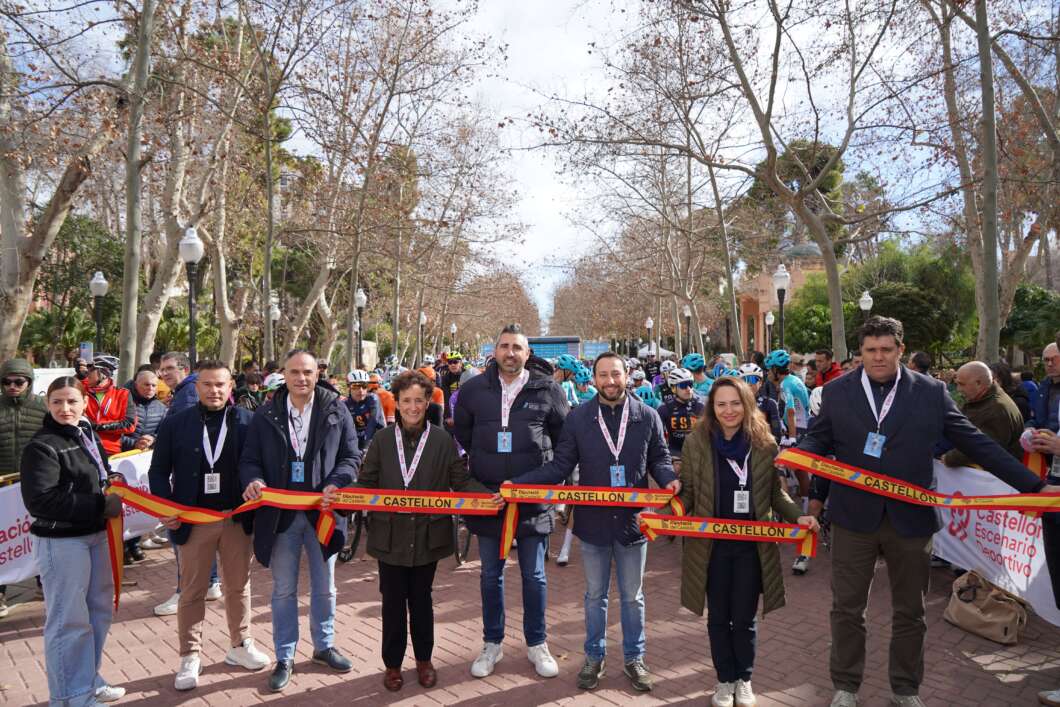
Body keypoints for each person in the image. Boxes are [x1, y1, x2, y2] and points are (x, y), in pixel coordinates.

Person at [798, 316, 1054, 707]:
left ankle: (905, 689)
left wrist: (1035, 486)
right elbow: (817, 439)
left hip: (912, 521)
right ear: (860, 353)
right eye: (871, 350)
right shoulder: (836, 392)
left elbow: (977, 443)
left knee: (911, 613)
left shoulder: (931, 393)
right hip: (854, 519)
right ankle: (845, 686)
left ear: (900, 350)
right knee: (847, 609)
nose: (879, 357)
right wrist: (796, 454)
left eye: (886, 349)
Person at [511, 351, 680, 693]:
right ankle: (594, 657)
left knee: (633, 597)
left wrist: (668, 480)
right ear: (594, 378)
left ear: (626, 376)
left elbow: (659, 458)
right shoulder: (579, 418)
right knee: (594, 596)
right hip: (593, 524)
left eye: (615, 374)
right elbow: (560, 466)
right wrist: (523, 483)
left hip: (633, 524)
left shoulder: (646, 416)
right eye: (603, 375)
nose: (610, 381)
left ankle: (635, 658)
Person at [672, 376, 818, 707]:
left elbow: (775, 494)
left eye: (735, 403)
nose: (728, 410)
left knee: (746, 619)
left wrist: (799, 516)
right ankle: (725, 680)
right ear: (712, 407)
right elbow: (690, 492)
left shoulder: (764, 443)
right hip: (711, 547)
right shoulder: (697, 443)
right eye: (721, 404)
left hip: (753, 546)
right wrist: (668, 507)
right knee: (719, 618)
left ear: (747, 404)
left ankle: (745, 679)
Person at [355, 370, 500, 692]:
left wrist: (487, 497)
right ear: (397, 402)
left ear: (427, 403)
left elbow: (460, 481)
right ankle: (392, 665)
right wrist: (340, 495)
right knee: (392, 602)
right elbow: (365, 483)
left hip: (426, 538)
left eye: (418, 400)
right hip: (389, 537)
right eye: (406, 401)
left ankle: (424, 660)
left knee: (421, 601)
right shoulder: (381, 440)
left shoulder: (441, 440)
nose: (412, 407)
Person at [453, 324, 568, 681]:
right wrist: (486, 478)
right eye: (504, 346)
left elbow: (562, 441)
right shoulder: (473, 390)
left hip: (532, 500)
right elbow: (464, 433)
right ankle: (492, 643)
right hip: (489, 501)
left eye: (517, 347)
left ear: (528, 353)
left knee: (534, 575)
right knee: (490, 575)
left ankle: (537, 643)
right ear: (495, 350)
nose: (510, 353)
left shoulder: (548, 389)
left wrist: (532, 481)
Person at [240, 349, 360, 692]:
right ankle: (285, 655)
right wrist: (253, 481)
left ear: (317, 374)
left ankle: (323, 646)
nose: (301, 378)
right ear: (284, 374)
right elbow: (249, 460)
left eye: (307, 372)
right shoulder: (265, 414)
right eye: (294, 372)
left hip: (323, 513)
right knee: (283, 590)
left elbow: (351, 456)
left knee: (326, 587)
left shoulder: (337, 410)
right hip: (280, 517)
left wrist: (337, 481)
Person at [148, 361, 268, 690]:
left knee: (237, 587)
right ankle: (190, 656)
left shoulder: (248, 421)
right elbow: (158, 472)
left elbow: (259, 464)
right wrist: (166, 508)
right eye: (207, 385)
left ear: (231, 387)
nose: (214, 391)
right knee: (192, 591)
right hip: (193, 520)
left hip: (234, 519)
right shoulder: (176, 423)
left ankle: (239, 646)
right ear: (196, 386)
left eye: (220, 385)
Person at [21, 376, 126, 705]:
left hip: (96, 536)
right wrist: (98, 504)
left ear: (84, 403)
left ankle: (87, 680)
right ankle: (69, 696)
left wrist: (112, 480)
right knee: (68, 620)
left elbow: (100, 469)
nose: (65, 408)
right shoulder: (42, 445)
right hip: (62, 540)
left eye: (71, 402)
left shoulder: (87, 433)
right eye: (57, 402)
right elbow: (40, 501)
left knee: (97, 613)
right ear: (48, 404)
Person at [0, 357, 47, 617]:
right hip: (3, 486)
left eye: (19, 381)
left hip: (35, 484)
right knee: (3, 539)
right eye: (7, 382)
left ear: (29, 382)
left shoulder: (42, 407)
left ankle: (43, 583)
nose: (13, 386)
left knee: (38, 535)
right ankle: (1, 592)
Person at [120, 366, 168, 564]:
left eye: (154, 385)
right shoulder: (124, 403)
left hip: (145, 463)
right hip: (123, 461)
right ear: (136, 384)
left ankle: (136, 543)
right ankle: (124, 546)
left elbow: (164, 431)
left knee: (140, 505)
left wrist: (153, 439)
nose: (150, 388)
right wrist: (134, 443)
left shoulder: (161, 407)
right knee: (125, 506)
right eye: (146, 384)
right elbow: (116, 433)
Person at [940, 362, 1024, 467]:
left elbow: (982, 447)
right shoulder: (982, 400)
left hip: (995, 476)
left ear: (979, 383)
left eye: (962, 384)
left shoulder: (997, 409)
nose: (958, 389)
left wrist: (949, 458)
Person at [82, 355, 136, 458]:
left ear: (103, 374)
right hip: (83, 449)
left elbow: (129, 425)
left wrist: (97, 426)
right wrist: (78, 376)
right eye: (87, 368)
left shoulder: (122, 394)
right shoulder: (81, 391)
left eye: (91, 369)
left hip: (110, 452)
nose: (87, 372)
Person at [657, 367, 705, 472]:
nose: (688, 389)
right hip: (675, 452)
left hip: (698, 452)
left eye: (690, 384)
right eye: (683, 385)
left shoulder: (701, 407)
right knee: (677, 468)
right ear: (673, 388)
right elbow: (658, 439)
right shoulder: (664, 409)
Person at [740, 363, 783, 442]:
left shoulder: (770, 404)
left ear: (760, 382)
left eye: (753, 379)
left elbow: (777, 433)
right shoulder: (735, 404)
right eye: (744, 379)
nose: (749, 383)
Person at [345, 369, 385, 451]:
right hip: (355, 441)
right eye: (355, 386)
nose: (360, 390)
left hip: (375, 438)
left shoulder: (373, 399)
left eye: (364, 386)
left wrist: (365, 447)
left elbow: (373, 422)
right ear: (348, 387)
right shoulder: (344, 404)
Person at [1030, 343, 1060, 432]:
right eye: (1046, 360)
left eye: (1055, 359)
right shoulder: (1043, 386)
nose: (1050, 364)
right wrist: (1029, 427)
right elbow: (1037, 419)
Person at [440, 352, 466, 426]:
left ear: (460, 363)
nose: (453, 365)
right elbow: (446, 397)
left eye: (455, 362)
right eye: (450, 362)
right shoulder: (445, 378)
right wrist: (448, 416)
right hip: (452, 409)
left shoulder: (467, 374)